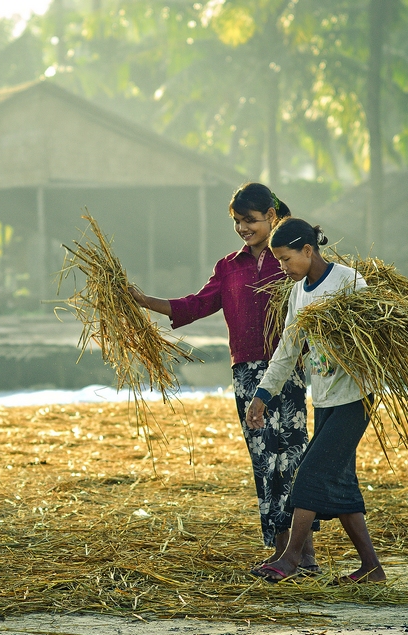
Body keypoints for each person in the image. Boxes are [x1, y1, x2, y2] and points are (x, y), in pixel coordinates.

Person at [130, 183, 319, 573]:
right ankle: (283, 551)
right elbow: (197, 304)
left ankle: (303, 555)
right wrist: (146, 301)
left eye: (249, 220)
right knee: (264, 461)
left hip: (289, 370)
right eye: (237, 222)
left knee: (294, 459)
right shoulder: (228, 266)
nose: (243, 228)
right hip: (246, 373)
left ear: (271, 215)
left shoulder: (290, 259)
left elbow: (320, 297)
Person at [245, 218, 385, 583]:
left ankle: (291, 557)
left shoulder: (349, 281)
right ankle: (372, 569)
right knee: (341, 484)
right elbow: (288, 348)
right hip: (324, 398)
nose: (283, 267)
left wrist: (343, 342)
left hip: (356, 396)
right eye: (278, 261)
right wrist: (262, 394)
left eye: (287, 259)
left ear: (308, 251)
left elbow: (375, 335)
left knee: (308, 475)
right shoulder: (298, 293)